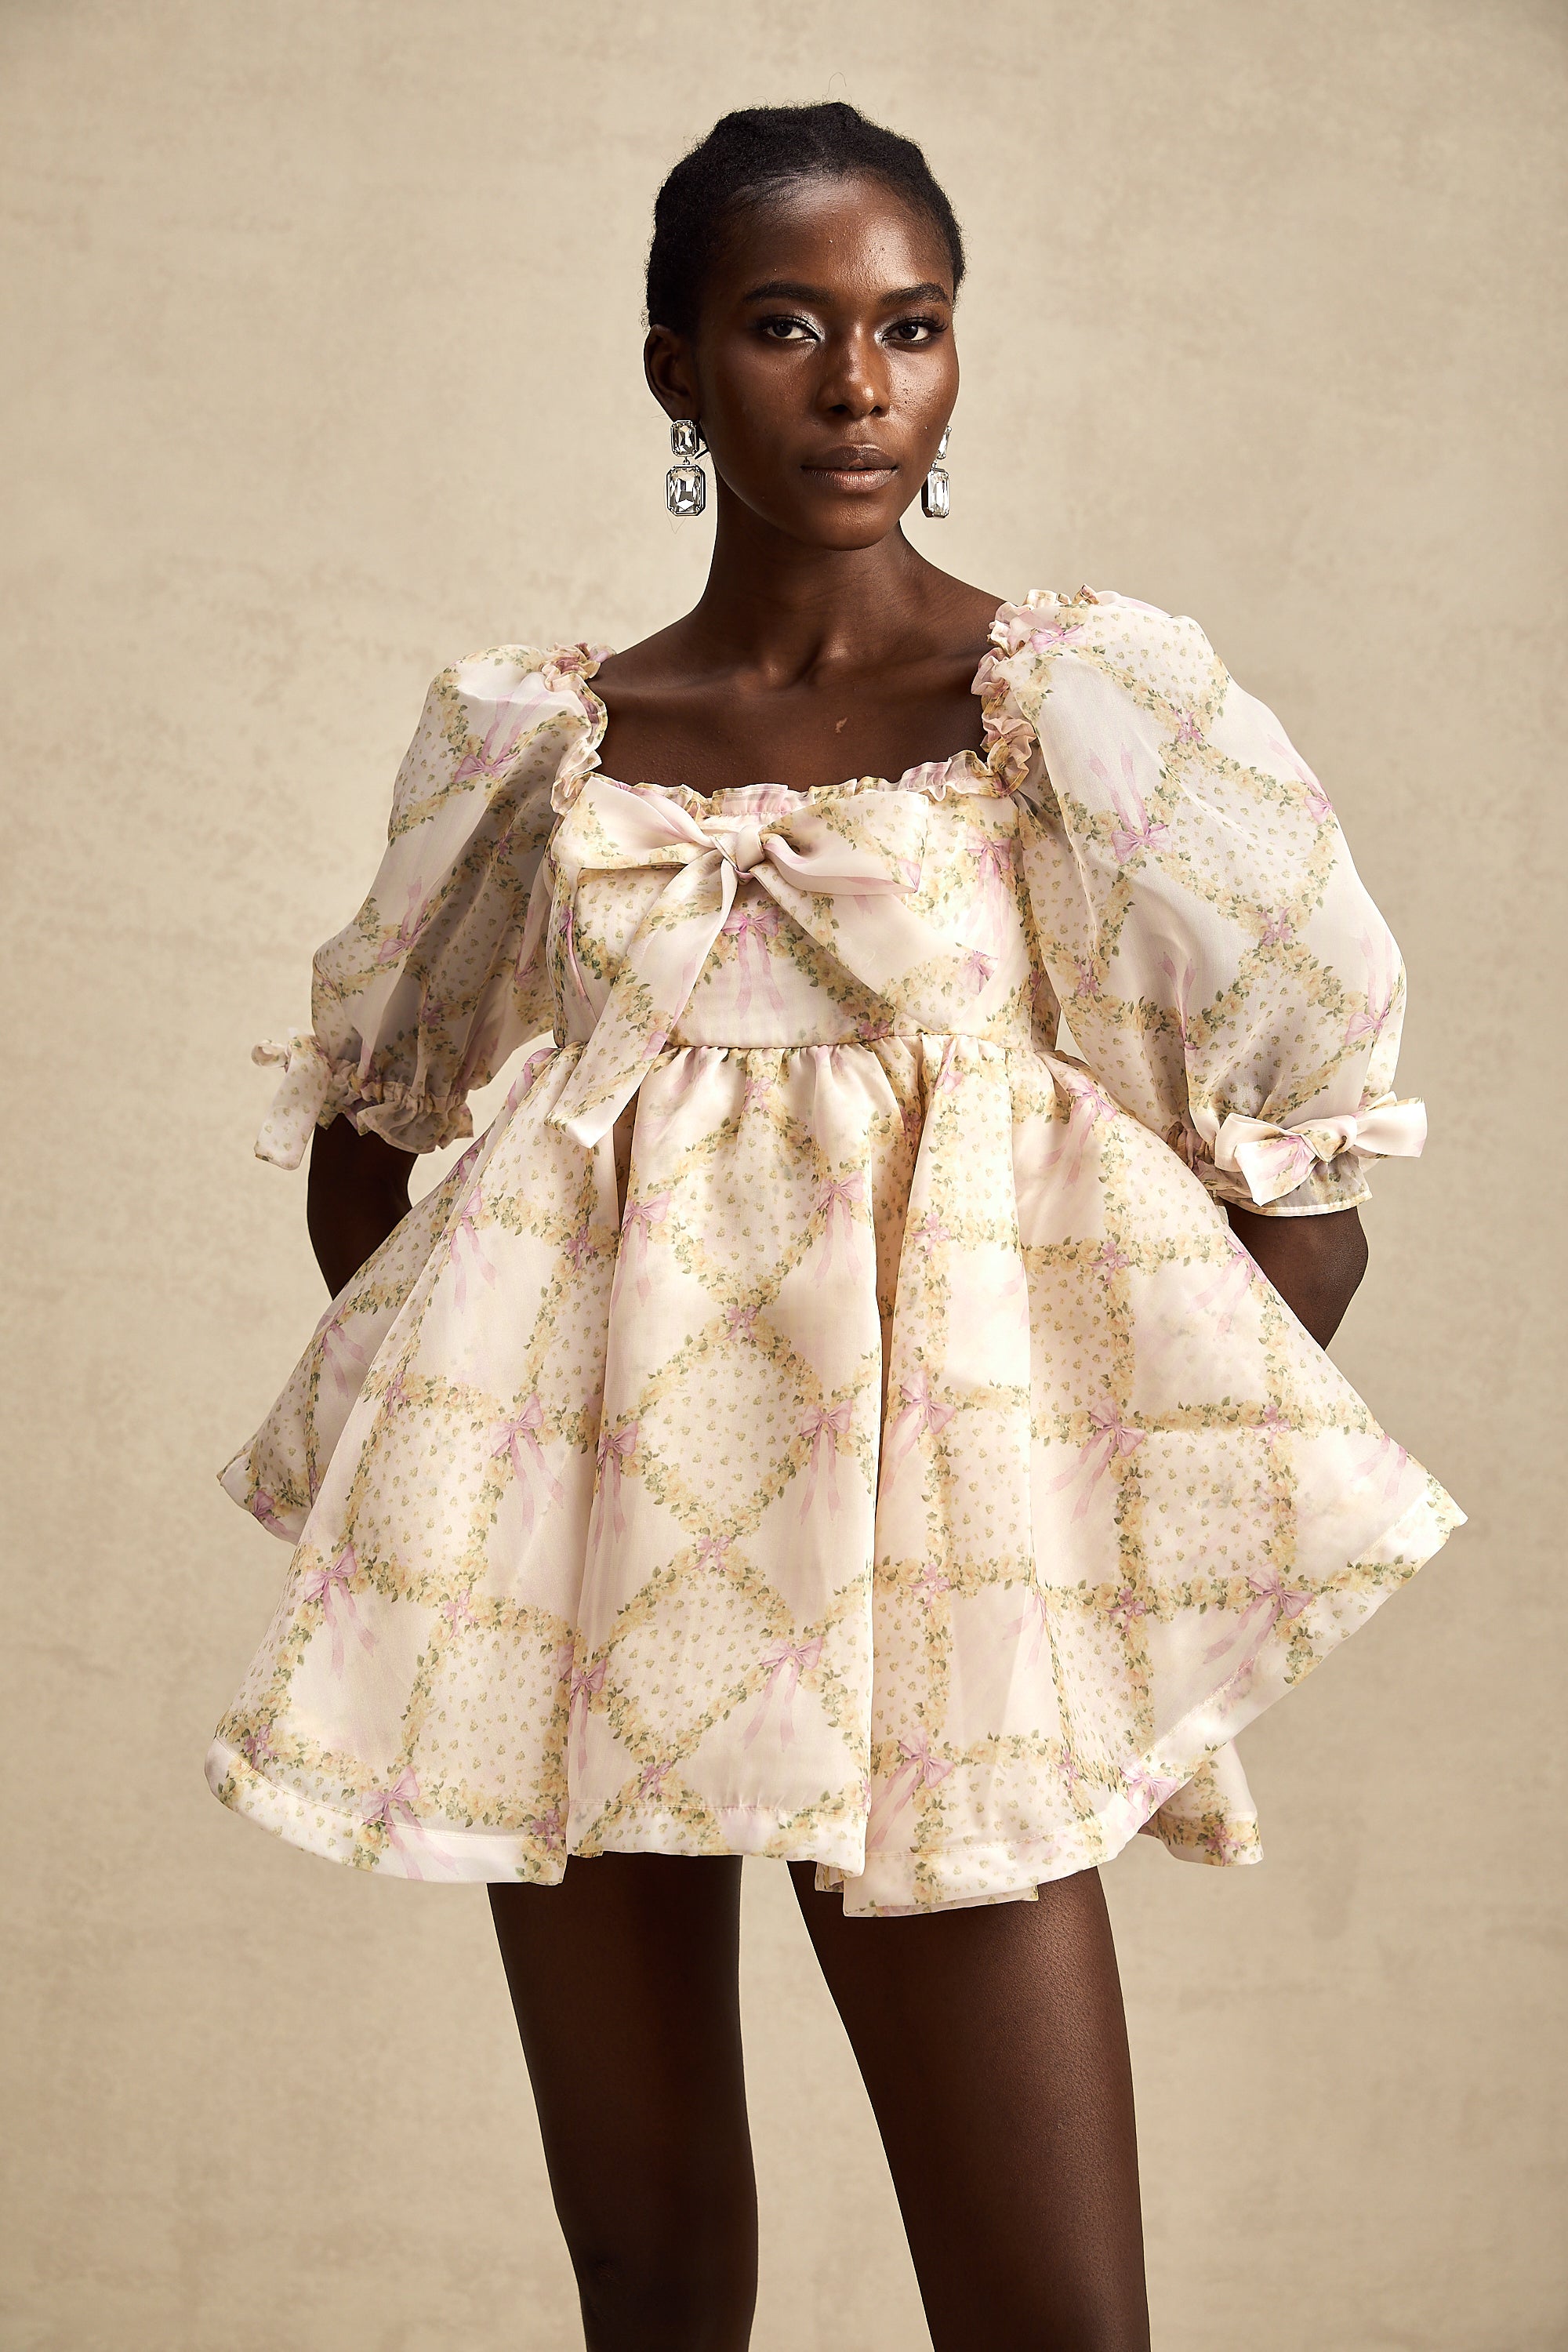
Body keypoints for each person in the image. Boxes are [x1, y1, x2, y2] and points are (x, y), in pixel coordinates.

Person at [209, 103, 1461, 2352]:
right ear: (677, 370)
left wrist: (1062, 1533)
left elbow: (1301, 1178)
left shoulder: (1075, 706)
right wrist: (496, 1452)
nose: (861, 386)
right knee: (652, 2284)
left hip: (938, 1571)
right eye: (788, 328)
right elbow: (375, 1131)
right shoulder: (543, 745)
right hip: (592, 1559)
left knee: (1050, 2313)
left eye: (912, 326)